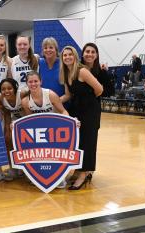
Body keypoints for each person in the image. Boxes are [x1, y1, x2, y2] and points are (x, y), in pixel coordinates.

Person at [59, 46, 103, 190]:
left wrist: (89, 101)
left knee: (88, 143)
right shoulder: (66, 73)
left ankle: (84, 174)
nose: (67, 57)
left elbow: (99, 89)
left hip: (90, 111)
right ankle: (79, 170)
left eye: (70, 54)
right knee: (79, 142)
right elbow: (67, 95)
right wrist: (51, 101)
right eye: (65, 55)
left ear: (75, 56)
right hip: (76, 111)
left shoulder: (82, 71)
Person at [0, 78, 27, 180]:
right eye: (3, 89)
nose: (6, 91)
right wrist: (7, 130)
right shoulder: (2, 98)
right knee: (8, 140)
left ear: (15, 88)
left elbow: (29, 112)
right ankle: (13, 168)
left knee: (24, 143)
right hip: (14, 122)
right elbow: (7, 114)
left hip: (26, 121)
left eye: (9, 88)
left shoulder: (22, 94)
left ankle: (26, 169)